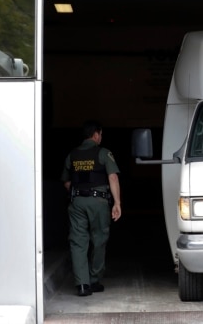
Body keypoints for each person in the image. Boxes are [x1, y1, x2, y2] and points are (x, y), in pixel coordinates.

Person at [60, 120, 122, 296]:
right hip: (99, 202)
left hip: (77, 202)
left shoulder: (72, 155)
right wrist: (117, 203)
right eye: (100, 135)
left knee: (78, 242)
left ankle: (82, 285)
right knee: (99, 239)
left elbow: (66, 182)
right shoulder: (103, 153)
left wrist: (79, 191)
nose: (101, 138)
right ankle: (94, 281)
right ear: (96, 134)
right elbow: (113, 178)